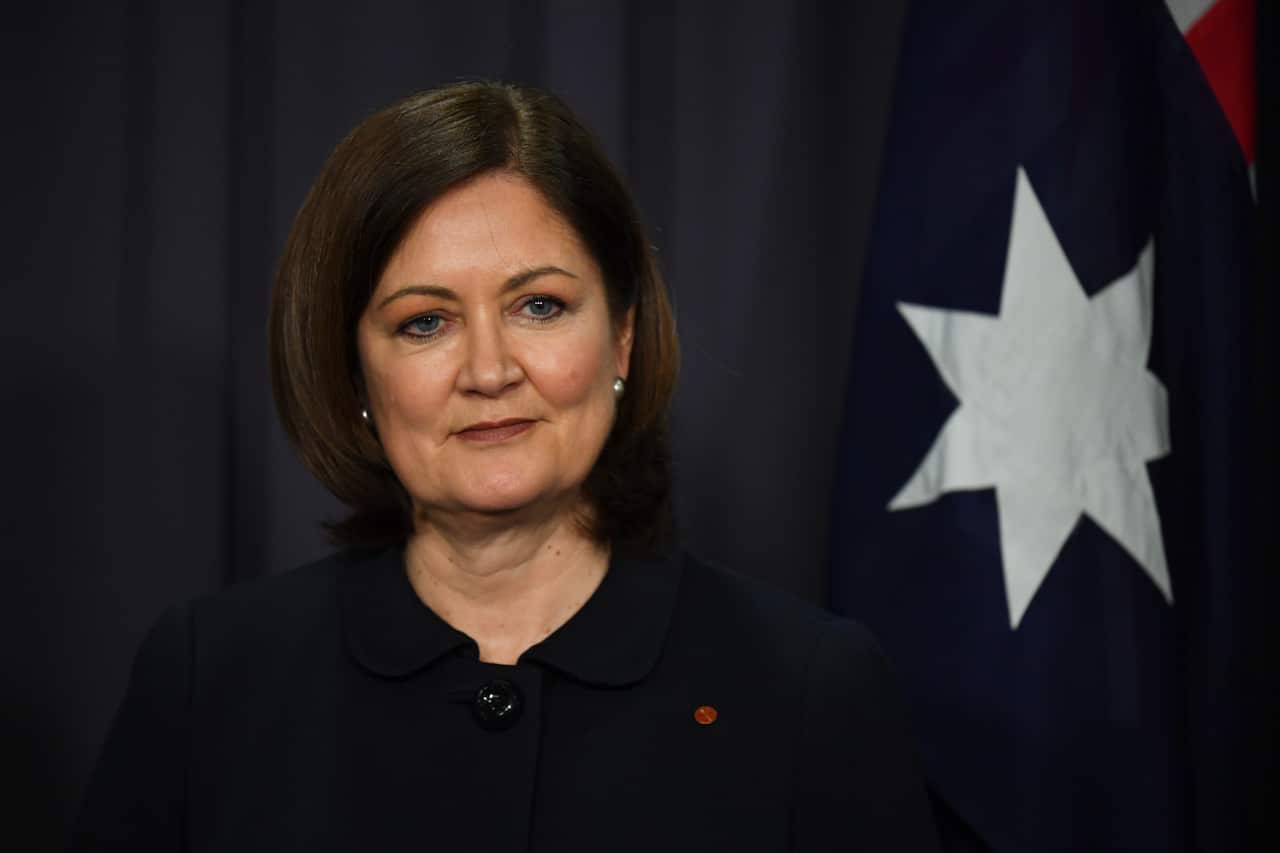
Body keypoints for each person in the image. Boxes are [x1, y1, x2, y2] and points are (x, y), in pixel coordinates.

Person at [69, 81, 940, 852]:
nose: (489, 371)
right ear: (355, 372)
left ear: (622, 337)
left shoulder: (809, 688)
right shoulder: (210, 681)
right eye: (425, 322)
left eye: (539, 306)